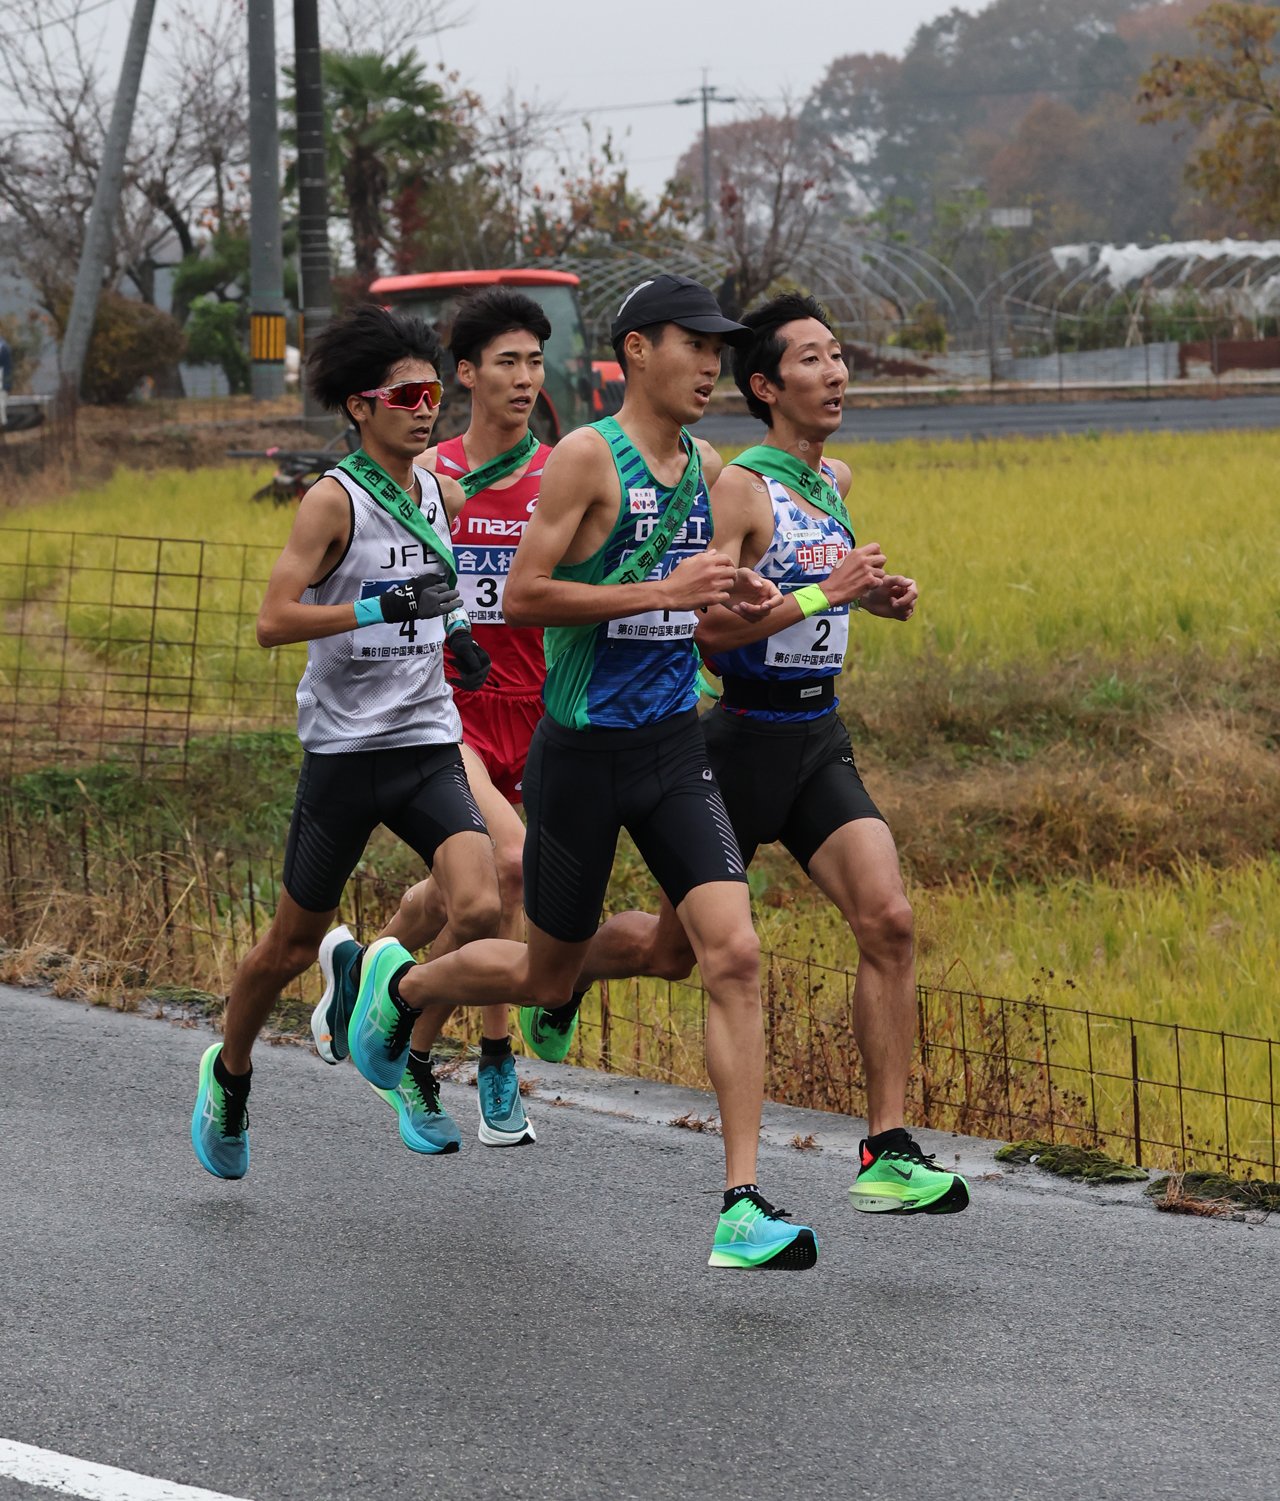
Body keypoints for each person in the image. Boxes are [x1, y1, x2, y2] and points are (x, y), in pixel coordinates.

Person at [342, 273, 820, 1270]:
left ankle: (740, 1203)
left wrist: (779, 595)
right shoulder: (583, 459)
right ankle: (407, 986)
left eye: (719, 348)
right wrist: (663, 586)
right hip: (580, 754)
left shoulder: (711, 469)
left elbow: (705, 613)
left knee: (728, 952)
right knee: (543, 970)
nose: (711, 365)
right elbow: (522, 596)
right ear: (638, 349)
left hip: (671, 748)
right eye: (695, 343)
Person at [530, 292, 969, 1216]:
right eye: (811, 359)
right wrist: (823, 596)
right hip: (735, 740)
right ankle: (565, 980)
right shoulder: (737, 484)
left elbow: (811, 582)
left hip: (818, 736)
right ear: (766, 386)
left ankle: (885, 1149)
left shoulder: (832, 481)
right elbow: (713, 632)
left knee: (888, 919)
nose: (836, 372)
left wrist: (868, 597)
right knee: (667, 950)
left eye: (839, 354)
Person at [190, 303, 500, 1181]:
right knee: (289, 946)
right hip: (344, 754)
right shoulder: (334, 500)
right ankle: (231, 1069)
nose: (423, 406)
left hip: (426, 738)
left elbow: (439, 580)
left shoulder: (438, 488)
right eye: (403, 394)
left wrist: (460, 632)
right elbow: (270, 621)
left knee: (479, 907)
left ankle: (392, 1013)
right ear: (359, 408)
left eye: (431, 390)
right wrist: (371, 608)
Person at [312, 287, 554, 1153]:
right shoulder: (427, 473)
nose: (525, 379)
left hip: (542, 701)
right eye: (506, 362)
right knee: (513, 869)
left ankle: (365, 973)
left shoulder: (564, 470)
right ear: (465, 374)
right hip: (448, 708)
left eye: (535, 361)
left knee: (458, 895)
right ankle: (484, 1053)